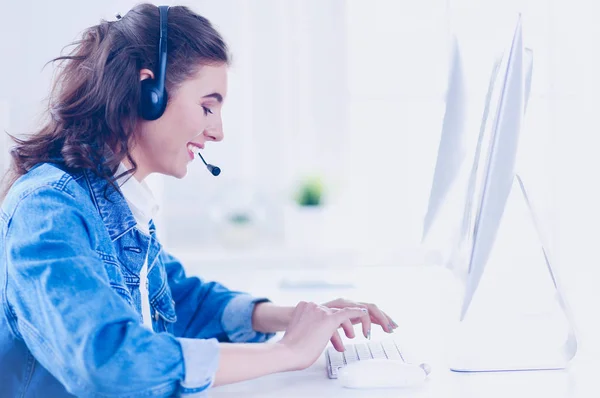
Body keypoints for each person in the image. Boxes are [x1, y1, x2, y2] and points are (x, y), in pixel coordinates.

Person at [0, 4, 397, 397]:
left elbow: (181, 302)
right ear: (147, 92)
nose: (218, 132)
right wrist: (288, 351)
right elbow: (108, 360)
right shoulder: (48, 209)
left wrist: (296, 318)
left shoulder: (116, 204)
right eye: (207, 106)